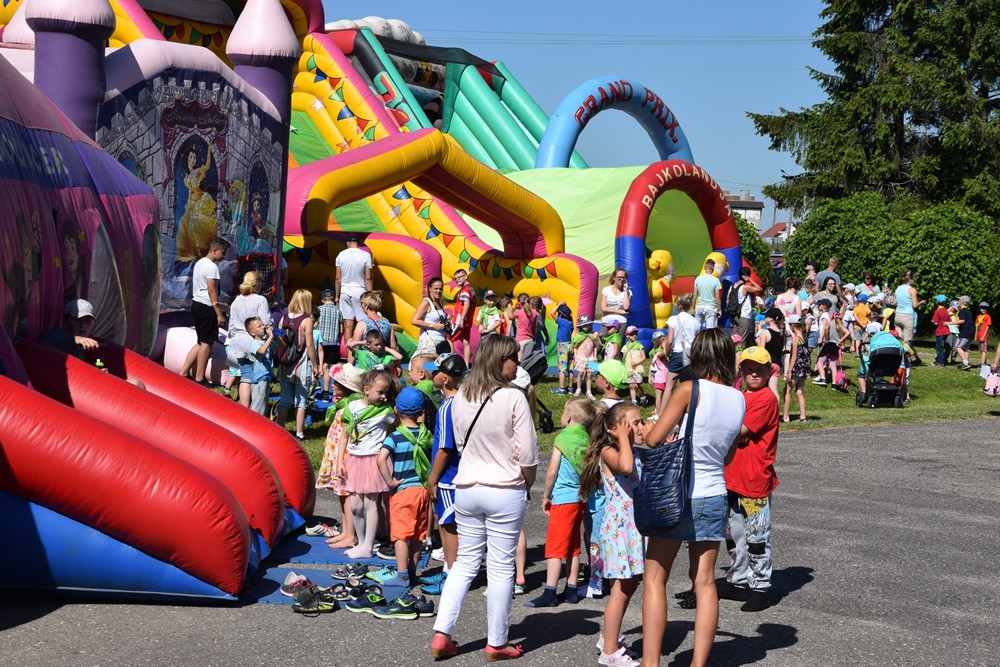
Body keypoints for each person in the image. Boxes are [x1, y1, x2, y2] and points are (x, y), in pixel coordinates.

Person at [640, 328, 746, 667]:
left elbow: (654, 438)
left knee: (655, 576)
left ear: (698, 356)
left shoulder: (689, 389)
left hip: (679, 492)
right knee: (704, 582)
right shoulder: (738, 398)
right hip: (714, 493)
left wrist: (647, 429)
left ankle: (651, 661)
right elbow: (727, 457)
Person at [430, 334, 538, 662]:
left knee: (464, 563)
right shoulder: (513, 397)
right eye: (513, 358)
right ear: (499, 360)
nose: (517, 364)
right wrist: (527, 484)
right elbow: (529, 454)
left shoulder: (460, 397)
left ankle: (442, 633)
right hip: (504, 487)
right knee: (502, 567)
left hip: (467, 487)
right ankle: (497, 641)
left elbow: (458, 444)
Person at [580, 401, 645, 667]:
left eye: (641, 421)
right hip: (619, 531)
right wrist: (621, 438)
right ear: (616, 430)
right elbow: (626, 468)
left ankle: (609, 635)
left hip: (633, 529)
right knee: (619, 589)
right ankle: (609, 652)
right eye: (635, 423)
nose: (641, 427)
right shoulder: (609, 451)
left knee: (631, 584)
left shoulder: (633, 449)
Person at [722, 346, 780, 612]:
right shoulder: (741, 396)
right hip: (732, 476)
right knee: (734, 535)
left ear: (769, 371)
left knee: (756, 537)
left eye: (759, 369)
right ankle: (738, 579)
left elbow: (741, 431)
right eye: (748, 370)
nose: (753, 374)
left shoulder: (766, 399)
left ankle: (760, 587)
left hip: (754, 480)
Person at [524, 397, 596, 609]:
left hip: (563, 500)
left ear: (568, 416)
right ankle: (572, 589)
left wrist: (546, 495)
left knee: (555, 548)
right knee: (573, 547)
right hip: (580, 499)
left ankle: (550, 591)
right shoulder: (587, 438)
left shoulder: (563, 437)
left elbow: (552, 471)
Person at [376, 387, 432, 591]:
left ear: (396, 410)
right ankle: (412, 572)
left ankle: (401, 575)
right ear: (421, 412)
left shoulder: (395, 437)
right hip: (423, 492)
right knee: (418, 535)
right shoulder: (425, 434)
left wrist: (390, 482)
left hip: (404, 492)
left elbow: (380, 459)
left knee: (400, 535)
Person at [337, 368, 397, 559]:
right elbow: (344, 435)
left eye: (386, 392)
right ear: (366, 389)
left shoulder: (386, 411)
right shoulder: (352, 407)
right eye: (380, 392)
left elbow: (397, 427)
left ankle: (368, 546)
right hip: (354, 460)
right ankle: (361, 542)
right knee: (355, 505)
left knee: (371, 504)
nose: (384, 396)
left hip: (373, 461)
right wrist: (339, 461)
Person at [425, 353, 469, 592]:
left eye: (435, 372)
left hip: (449, 477)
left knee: (449, 525)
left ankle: (453, 575)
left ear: (445, 379)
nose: (432, 375)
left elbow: (444, 448)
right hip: (460, 473)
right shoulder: (464, 400)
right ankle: (447, 570)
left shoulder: (446, 407)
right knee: (446, 523)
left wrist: (433, 480)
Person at [318, 364, 365, 550]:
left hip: (343, 455)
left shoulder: (349, 407)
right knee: (341, 495)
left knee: (346, 495)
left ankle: (351, 535)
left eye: (337, 382)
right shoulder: (343, 403)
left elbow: (346, 432)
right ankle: (346, 531)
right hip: (336, 452)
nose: (333, 385)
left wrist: (339, 459)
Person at [179, 236, 228, 386]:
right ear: (214, 251)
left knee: (200, 342)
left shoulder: (200, 263)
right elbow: (212, 291)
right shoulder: (211, 267)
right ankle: (199, 378)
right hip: (207, 306)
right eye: (222, 253)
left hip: (197, 304)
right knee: (207, 343)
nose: (224, 256)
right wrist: (219, 314)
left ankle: (184, 372)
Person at [275, 288, 321, 440]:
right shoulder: (307, 320)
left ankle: (280, 431)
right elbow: (309, 345)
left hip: (285, 362)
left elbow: (280, 341)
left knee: (285, 398)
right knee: (301, 400)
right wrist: (315, 365)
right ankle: (299, 433)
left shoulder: (284, 318)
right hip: (300, 364)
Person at [226, 271, 273, 405]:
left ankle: (244, 408)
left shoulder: (236, 300)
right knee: (259, 375)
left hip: (239, 341)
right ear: (257, 284)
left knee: (245, 376)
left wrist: (238, 336)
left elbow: (232, 325)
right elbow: (266, 321)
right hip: (254, 341)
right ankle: (257, 405)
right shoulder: (260, 299)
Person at [334, 233, 373, 355]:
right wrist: (370, 294)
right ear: (358, 243)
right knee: (362, 323)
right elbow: (368, 278)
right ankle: (362, 353)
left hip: (345, 291)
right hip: (360, 291)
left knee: (348, 325)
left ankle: (349, 354)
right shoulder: (366, 255)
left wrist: (337, 295)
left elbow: (337, 278)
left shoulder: (341, 255)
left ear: (347, 243)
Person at [662, 293, 699, 405]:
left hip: (678, 352)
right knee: (692, 386)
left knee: (669, 387)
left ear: (679, 306)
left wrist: (666, 352)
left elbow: (670, 340)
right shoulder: (695, 321)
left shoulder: (673, 319)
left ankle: (662, 414)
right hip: (691, 354)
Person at [238, 317, 275, 416]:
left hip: (266, 377)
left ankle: (261, 425)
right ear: (252, 332)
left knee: (263, 405)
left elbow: (282, 345)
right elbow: (261, 351)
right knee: (257, 407)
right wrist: (270, 337)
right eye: (259, 326)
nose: (263, 327)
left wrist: (275, 334)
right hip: (259, 378)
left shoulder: (265, 342)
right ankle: (253, 425)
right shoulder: (254, 343)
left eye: (263, 325)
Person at [412, 277, 452, 356]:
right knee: (427, 367)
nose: (438, 291)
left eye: (441, 289)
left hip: (441, 342)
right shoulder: (426, 302)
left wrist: (446, 318)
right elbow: (414, 321)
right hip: (429, 342)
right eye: (436, 288)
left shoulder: (440, 303)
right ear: (430, 288)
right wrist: (433, 326)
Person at [782, 316, 809, 423]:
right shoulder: (804, 338)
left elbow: (794, 356)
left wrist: (789, 370)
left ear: (793, 325)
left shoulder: (795, 339)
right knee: (799, 391)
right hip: (804, 367)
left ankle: (785, 417)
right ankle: (803, 416)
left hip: (796, 368)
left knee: (787, 390)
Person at [318, 288, 344, 398]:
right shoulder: (338, 311)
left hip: (320, 343)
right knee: (326, 367)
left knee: (315, 365)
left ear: (322, 300)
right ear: (333, 300)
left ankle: (315, 385)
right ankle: (325, 392)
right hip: (333, 343)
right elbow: (341, 330)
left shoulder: (318, 310)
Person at [893, 269, 927, 353]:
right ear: (910, 279)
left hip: (897, 316)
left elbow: (894, 302)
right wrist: (921, 303)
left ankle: (899, 358)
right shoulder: (912, 290)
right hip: (907, 317)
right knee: (907, 341)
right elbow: (915, 305)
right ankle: (906, 362)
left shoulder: (898, 288)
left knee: (899, 339)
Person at [755, 308, 785, 397]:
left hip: (767, 364)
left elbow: (761, 350)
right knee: (774, 390)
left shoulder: (765, 332)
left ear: (771, 319)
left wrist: (758, 341)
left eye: (766, 316)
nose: (765, 318)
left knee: (762, 389)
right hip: (777, 364)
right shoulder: (781, 332)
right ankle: (776, 410)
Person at [450, 269, 476, 364]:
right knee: (466, 342)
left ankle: (449, 362)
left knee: (450, 339)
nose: (457, 280)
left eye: (459, 277)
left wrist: (461, 319)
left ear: (466, 276)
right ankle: (465, 364)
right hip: (467, 320)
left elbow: (466, 304)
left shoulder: (465, 290)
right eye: (456, 278)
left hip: (460, 319)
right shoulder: (471, 289)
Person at [731, 266, 762, 344]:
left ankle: (732, 355)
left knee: (734, 339)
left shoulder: (732, 286)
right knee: (741, 340)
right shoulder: (745, 288)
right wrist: (750, 280)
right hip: (743, 315)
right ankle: (740, 356)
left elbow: (728, 299)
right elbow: (759, 289)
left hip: (733, 314)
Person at [691, 259, 722, 330]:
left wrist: (693, 307)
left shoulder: (698, 279)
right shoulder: (716, 280)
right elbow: (717, 296)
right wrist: (719, 309)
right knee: (710, 330)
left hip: (700, 305)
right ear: (713, 268)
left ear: (705, 267)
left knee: (696, 328)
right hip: (711, 306)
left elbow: (695, 294)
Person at [552, 303, 575, 395]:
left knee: (562, 369)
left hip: (563, 346)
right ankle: (570, 388)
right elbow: (571, 315)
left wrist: (559, 305)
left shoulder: (562, 322)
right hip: (570, 345)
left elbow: (552, 313)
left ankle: (561, 389)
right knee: (570, 368)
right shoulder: (571, 323)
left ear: (561, 315)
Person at [573, 316, 598, 398]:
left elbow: (594, 346)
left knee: (589, 375)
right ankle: (578, 389)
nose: (586, 327)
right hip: (581, 357)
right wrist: (575, 357)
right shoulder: (579, 335)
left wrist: (595, 356)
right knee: (580, 373)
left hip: (590, 357)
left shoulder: (593, 335)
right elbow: (575, 347)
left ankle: (589, 391)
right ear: (580, 327)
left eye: (587, 325)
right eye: (584, 326)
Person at [621, 326, 647, 403]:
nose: (634, 335)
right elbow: (623, 358)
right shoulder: (625, 347)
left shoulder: (639, 346)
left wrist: (636, 363)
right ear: (627, 335)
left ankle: (643, 397)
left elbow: (644, 357)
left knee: (637, 385)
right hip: (628, 369)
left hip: (637, 368)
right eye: (632, 334)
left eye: (636, 333)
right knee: (631, 385)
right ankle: (634, 401)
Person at [648, 331, 670, 415]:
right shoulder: (659, 353)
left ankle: (662, 410)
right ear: (661, 344)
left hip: (664, 378)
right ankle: (658, 412)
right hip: (660, 378)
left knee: (664, 394)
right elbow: (663, 354)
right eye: (666, 343)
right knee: (659, 395)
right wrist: (665, 347)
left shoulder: (664, 354)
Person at [954, 296, 974, 370]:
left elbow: (962, 321)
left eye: (959, 300)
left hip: (965, 332)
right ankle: (966, 363)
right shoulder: (968, 311)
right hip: (970, 332)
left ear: (962, 302)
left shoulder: (963, 311)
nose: (957, 301)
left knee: (957, 347)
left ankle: (965, 363)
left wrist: (950, 322)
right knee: (964, 349)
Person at [931, 294, 952, 367]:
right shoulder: (946, 311)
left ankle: (940, 362)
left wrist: (932, 321)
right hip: (946, 331)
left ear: (937, 302)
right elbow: (949, 320)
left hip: (940, 331)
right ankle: (941, 360)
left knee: (939, 347)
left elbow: (935, 322)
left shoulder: (937, 311)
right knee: (942, 346)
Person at [976, 302, 992, 366]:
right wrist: (975, 335)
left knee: (983, 350)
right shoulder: (978, 317)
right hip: (979, 336)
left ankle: (982, 364)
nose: (983, 310)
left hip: (984, 336)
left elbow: (987, 327)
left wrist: (984, 336)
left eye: (985, 308)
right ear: (979, 309)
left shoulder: (988, 317)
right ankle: (984, 362)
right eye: (982, 308)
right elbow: (977, 326)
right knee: (981, 349)